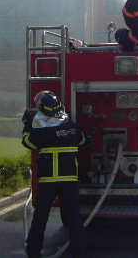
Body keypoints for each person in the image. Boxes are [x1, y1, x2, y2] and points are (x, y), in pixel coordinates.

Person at [22, 91, 89, 258]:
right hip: (69, 180)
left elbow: (27, 142)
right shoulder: (72, 127)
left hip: (48, 180)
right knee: (73, 217)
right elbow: (84, 142)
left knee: (41, 217)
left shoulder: (42, 132)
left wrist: (27, 124)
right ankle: (78, 251)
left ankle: (33, 250)